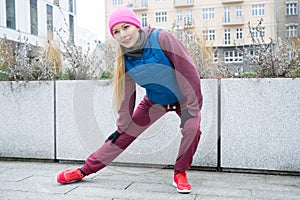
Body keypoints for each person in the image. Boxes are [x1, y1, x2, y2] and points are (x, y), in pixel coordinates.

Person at [56, 5, 203, 194]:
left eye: (126, 27)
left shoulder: (162, 39)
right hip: (155, 102)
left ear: (136, 25)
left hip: (184, 98)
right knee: (121, 136)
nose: (123, 35)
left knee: (192, 129)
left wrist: (192, 107)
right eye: (116, 31)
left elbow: (188, 71)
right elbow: (126, 95)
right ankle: (84, 170)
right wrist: (123, 125)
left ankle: (180, 173)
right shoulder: (124, 59)